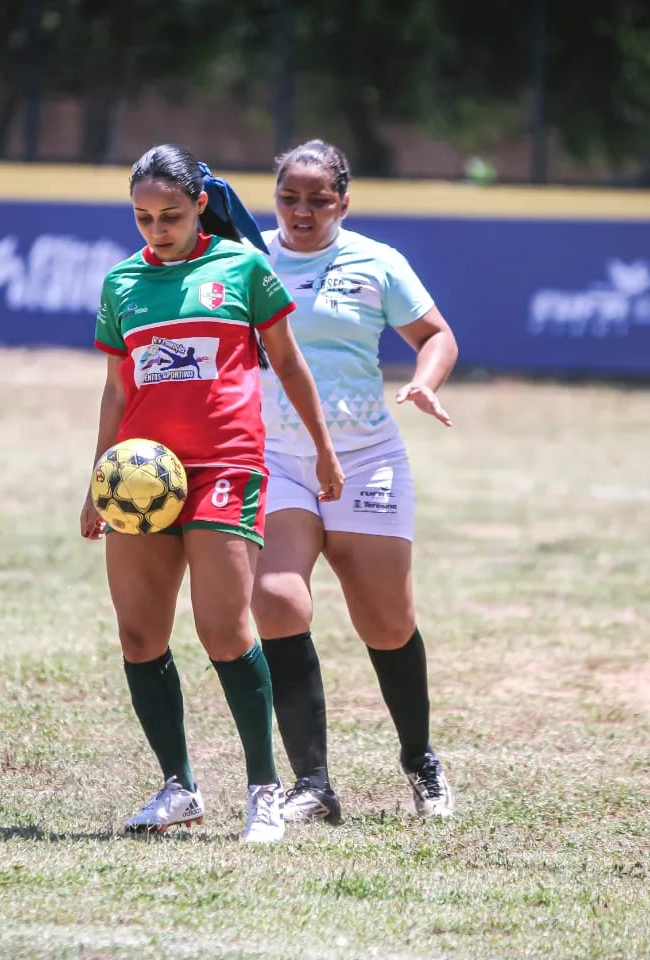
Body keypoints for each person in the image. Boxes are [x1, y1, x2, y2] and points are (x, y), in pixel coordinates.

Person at [80, 144, 344, 844]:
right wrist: (95, 480)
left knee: (225, 630)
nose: (155, 229)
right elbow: (116, 389)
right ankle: (178, 787)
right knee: (140, 635)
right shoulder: (121, 284)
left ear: (202, 204)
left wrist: (322, 448)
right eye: (141, 217)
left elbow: (287, 362)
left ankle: (263, 790)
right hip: (140, 477)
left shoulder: (243, 268)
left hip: (226, 464)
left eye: (169, 214)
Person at [251, 139, 459, 824]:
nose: (302, 210)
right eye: (290, 197)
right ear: (274, 196)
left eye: (318, 198)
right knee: (278, 602)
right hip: (279, 457)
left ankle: (421, 762)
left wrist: (424, 384)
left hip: (366, 457)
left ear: (344, 200)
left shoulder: (376, 263)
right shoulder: (248, 260)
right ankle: (313, 784)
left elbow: (436, 335)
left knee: (387, 622)